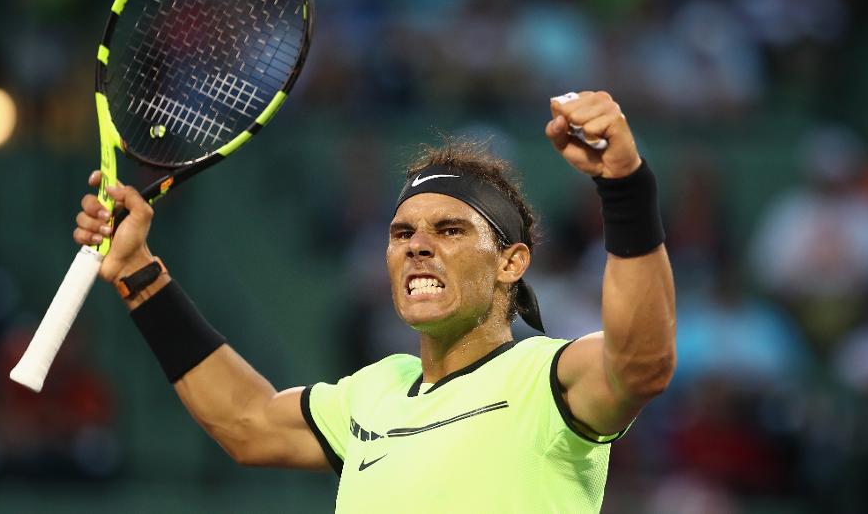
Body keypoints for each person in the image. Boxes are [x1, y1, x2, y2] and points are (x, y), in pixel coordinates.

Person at [73, 91, 676, 512]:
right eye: (401, 233)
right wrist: (139, 274)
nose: (417, 246)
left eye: (450, 230)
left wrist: (626, 187)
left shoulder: (546, 376)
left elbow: (642, 363)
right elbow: (248, 422)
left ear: (511, 263)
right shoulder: (373, 392)